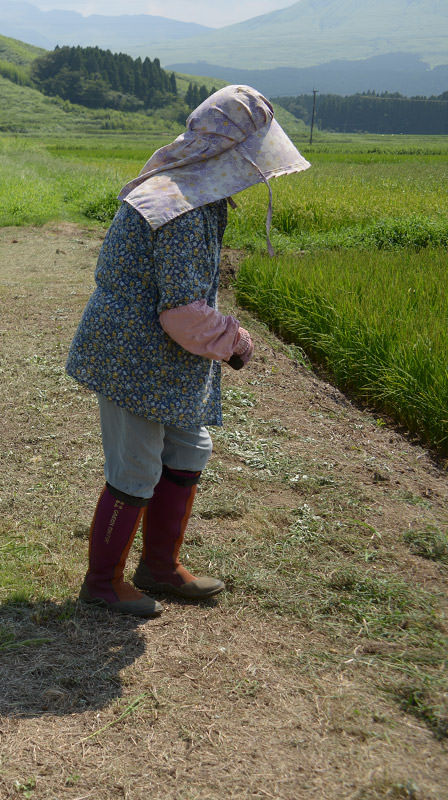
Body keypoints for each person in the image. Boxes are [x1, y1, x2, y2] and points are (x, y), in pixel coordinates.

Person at [65, 85, 310, 618]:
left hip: (165, 357)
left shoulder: (195, 193)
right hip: (134, 356)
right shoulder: (179, 206)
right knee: (134, 469)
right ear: (231, 151)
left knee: (189, 447)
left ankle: (159, 567)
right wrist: (236, 343)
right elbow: (182, 314)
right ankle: (102, 582)